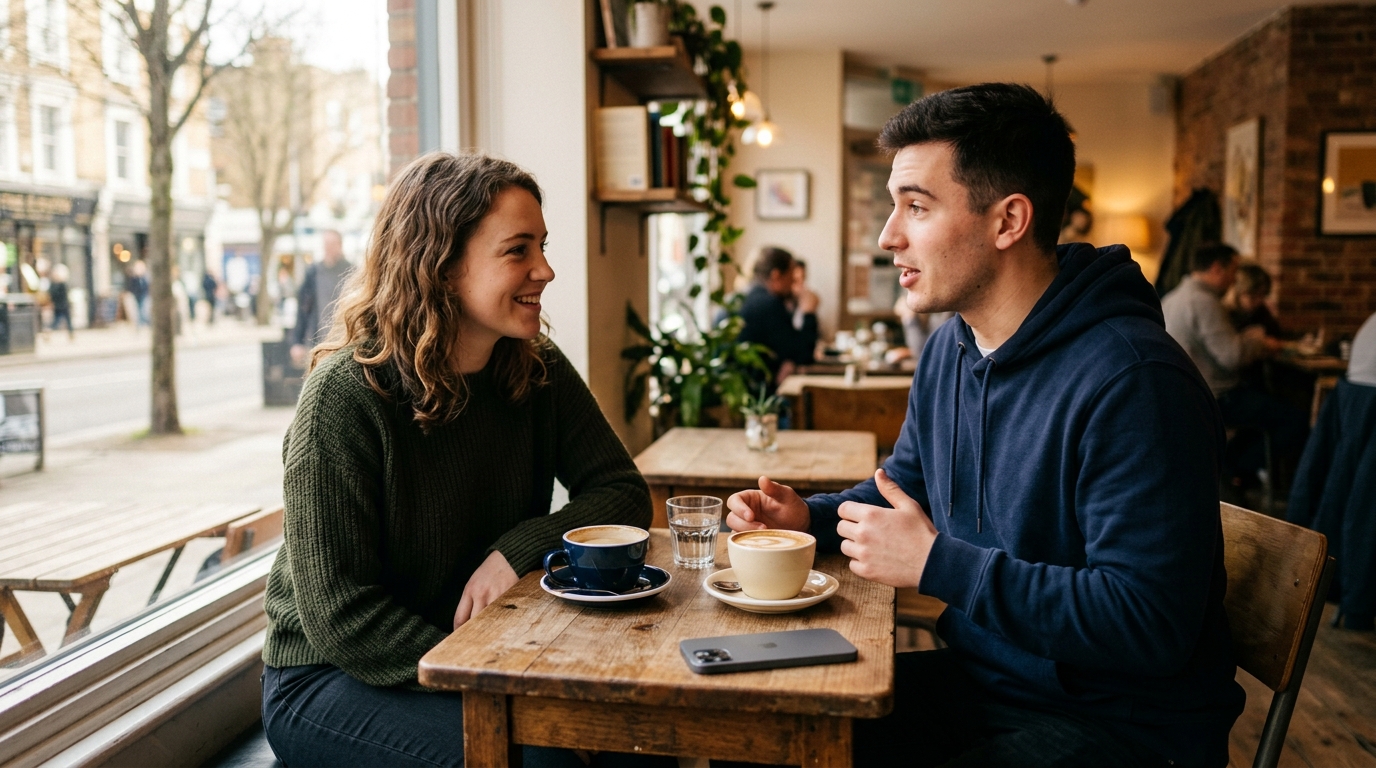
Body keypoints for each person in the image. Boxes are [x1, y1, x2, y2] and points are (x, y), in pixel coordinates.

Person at [726, 83, 1243, 767]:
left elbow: (1148, 623)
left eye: (916, 206)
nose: (889, 236)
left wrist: (940, 565)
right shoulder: (952, 347)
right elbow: (904, 486)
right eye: (893, 206)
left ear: (1008, 221)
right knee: (758, 728)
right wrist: (810, 520)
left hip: (1123, 727)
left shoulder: (1136, 381)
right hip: (989, 684)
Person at [260, 153, 661, 768]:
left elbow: (621, 491)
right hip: (333, 680)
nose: (545, 270)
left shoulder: (536, 367)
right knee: (545, 761)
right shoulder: (344, 397)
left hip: (478, 648)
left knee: (634, 737)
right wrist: (489, 666)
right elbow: (342, 617)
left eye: (542, 246)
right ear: (442, 267)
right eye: (517, 251)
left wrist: (518, 550)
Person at [1161, 243, 1307, 492]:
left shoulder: (1172, 297)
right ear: (1218, 268)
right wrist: (1257, 338)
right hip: (1213, 398)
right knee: (1295, 419)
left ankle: (1232, 470)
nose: (1234, 279)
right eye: (1233, 270)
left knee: (1264, 407)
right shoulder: (1204, 302)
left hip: (1180, 396)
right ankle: (1233, 469)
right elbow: (1233, 356)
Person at [738, 246, 818, 385]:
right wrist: (808, 312)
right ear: (776, 276)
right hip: (754, 395)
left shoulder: (739, 298)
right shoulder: (769, 305)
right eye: (791, 277)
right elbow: (803, 355)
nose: (794, 284)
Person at [289, 230, 351, 366]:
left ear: (340, 245)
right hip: (318, 341)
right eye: (326, 244)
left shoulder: (351, 271)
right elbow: (303, 309)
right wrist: (297, 341)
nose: (328, 248)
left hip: (345, 342)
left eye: (332, 244)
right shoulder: (313, 273)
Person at [48, 263, 74, 339]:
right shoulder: (61, 285)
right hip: (63, 305)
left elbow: (52, 295)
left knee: (57, 321)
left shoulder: (53, 285)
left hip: (58, 305)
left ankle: (70, 334)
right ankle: (71, 334)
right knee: (64, 321)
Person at [126, 260, 149, 326]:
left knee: (143, 308)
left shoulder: (144, 278)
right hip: (137, 295)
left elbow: (146, 286)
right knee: (138, 309)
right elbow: (131, 287)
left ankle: (143, 322)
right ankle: (139, 322)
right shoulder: (134, 278)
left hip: (143, 295)